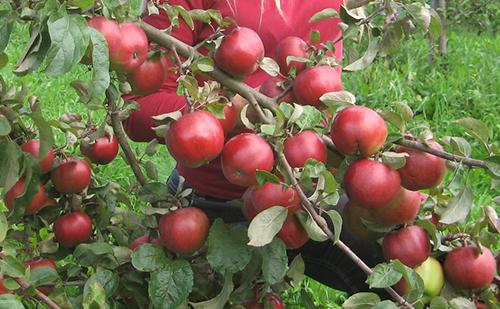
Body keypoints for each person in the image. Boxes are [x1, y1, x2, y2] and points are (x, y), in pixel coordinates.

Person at [124, 0, 386, 296]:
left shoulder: (334, 6)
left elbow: (321, 104)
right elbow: (137, 111)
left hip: (303, 199)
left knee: (394, 261)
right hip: (212, 202)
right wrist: (229, 113)